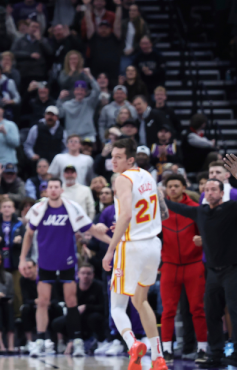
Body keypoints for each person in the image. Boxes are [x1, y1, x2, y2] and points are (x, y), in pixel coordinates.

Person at [20, 178, 109, 357]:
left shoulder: (72, 208)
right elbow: (29, 234)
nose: (53, 190)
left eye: (56, 187)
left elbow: (89, 229)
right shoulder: (38, 209)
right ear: (46, 191)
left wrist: (112, 243)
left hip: (67, 261)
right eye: (49, 187)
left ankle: (76, 341)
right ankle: (40, 341)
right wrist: (23, 258)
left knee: (71, 301)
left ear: (61, 189)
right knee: (42, 301)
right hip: (45, 262)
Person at [101, 137, 169, 370]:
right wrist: (127, 224)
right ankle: (158, 358)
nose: (114, 161)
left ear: (130, 159)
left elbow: (128, 214)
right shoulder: (148, 176)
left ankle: (133, 345)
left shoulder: (122, 179)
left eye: (119, 157)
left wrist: (110, 251)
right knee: (140, 301)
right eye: (112, 156)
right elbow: (163, 213)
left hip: (132, 248)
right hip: (153, 246)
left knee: (117, 307)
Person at [164, 154, 237, 368]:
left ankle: (235, 353)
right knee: (211, 313)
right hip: (212, 271)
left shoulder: (232, 209)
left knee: (234, 312)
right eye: (207, 190)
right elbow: (178, 208)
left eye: (215, 189)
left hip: (233, 270)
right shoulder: (201, 212)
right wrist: (158, 197)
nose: (210, 192)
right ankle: (215, 352)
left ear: (222, 193)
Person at [159, 174, 207, 363]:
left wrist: (202, 241)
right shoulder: (159, 210)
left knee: (197, 309)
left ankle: (202, 348)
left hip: (193, 264)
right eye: (169, 186)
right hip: (170, 265)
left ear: (184, 187)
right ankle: (166, 350)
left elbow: (208, 233)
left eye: (176, 186)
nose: (172, 189)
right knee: (168, 310)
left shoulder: (195, 209)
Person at [50, 264, 106, 349]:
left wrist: (87, 307)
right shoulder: (72, 287)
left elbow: (103, 307)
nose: (85, 276)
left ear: (93, 275)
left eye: (88, 273)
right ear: (78, 274)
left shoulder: (99, 286)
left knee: (94, 318)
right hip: (76, 315)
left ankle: (100, 342)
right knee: (57, 323)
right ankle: (69, 341)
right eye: (83, 273)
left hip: (92, 315)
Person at [57, 76, 101, 142]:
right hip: (72, 136)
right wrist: (60, 99)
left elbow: (97, 90)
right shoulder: (67, 104)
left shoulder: (90, 102)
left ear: (85, 92)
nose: (79, 92)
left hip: (87, 135)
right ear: (74, 91)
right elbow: (59, 114)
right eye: (77, 90)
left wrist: (89, 76)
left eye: (82, 90)